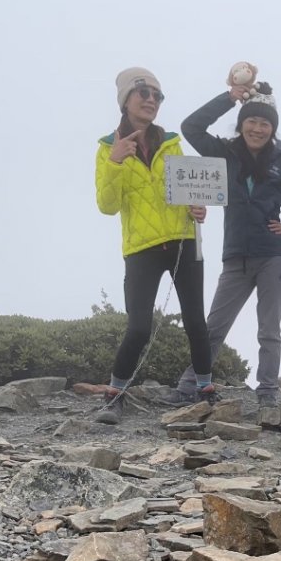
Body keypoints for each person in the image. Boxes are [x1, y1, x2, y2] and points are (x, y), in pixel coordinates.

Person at [171, 79, 281, 407]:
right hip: (236, 255)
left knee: (269, 329)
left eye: (265, 123)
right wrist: (230, 98)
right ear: (241, 124)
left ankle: (267, 392)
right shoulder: (224, 153)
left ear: (273, 128)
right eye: (251, 121)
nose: (257, 128)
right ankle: (190, 385)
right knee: (214, 326)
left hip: (274, 256)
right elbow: (191, 126)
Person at [95, 67, 212, 424]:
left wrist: (198, 205)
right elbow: (107, 205)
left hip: (183, 240)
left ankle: (206, 391)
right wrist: (115, 162)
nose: (151, 100)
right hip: (141, 246)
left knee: (196, 320)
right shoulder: (106, 149)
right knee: (139, 327)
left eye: (157, 95)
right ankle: (114, 396)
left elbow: (192, 188)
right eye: (143, 92)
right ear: (125, 100)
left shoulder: (172, 142)